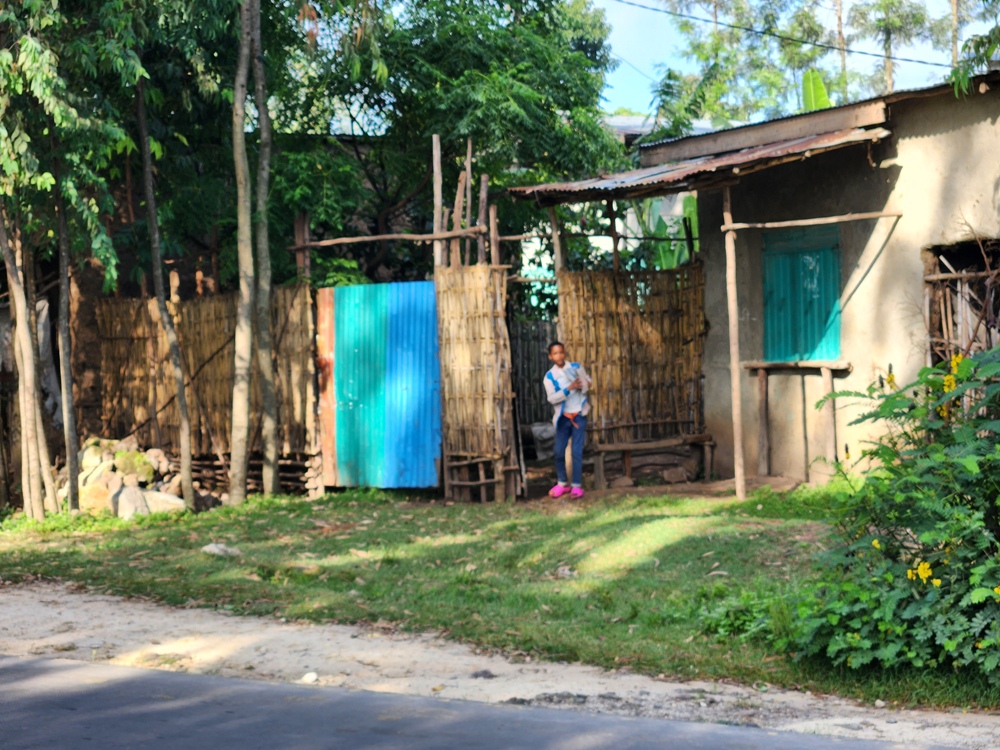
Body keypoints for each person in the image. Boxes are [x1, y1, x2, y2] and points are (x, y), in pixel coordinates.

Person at [542, 341, 592, 498]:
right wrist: (569, 388)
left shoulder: (576, 367)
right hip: (563, 418)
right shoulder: (550, 377)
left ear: (564, 353)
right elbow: (552, 399)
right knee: (558, 451)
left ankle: (576, 486)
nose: (559, 356)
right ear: (550, 356)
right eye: (555, 353)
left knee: (576, 451)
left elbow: (589, 383)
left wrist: (584, 384)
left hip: (579, 415)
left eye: (561, 352)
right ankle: (563, 483)